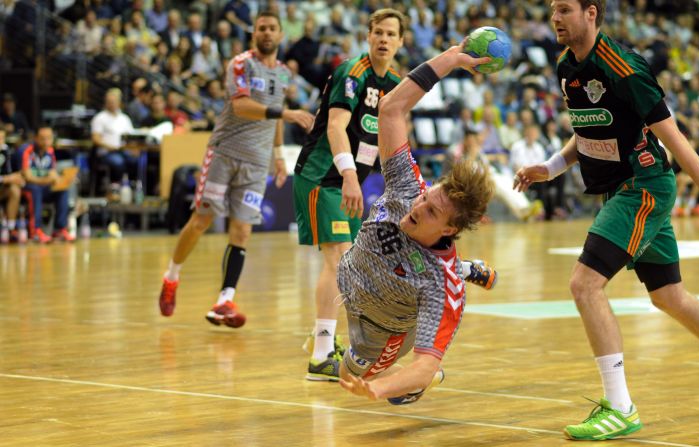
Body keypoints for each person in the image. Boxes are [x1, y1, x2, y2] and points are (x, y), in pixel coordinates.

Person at [514, 0, 699, 440]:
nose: (555, 19)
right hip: (621, 190)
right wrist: (552, 166)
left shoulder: (624, 67)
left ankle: (620, 407)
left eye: (564, 9)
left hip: (642, 185)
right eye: (552, 10)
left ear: (591, 13)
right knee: (670, 297)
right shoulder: (567, 65)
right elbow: (586, 128)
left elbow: (671, 134)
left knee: (584, 284)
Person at [293, 9, 498, 381]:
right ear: (367, 36)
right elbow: (336, 127)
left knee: (385, 251)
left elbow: (395, 115)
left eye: (391, 34)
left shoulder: (391, 81)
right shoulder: (352, 73)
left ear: (402, 41)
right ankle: (322, 351)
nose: (383, 40)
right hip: (325, 177)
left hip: (351, 179)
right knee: (338, 258)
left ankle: (460, 269)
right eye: (377, 32)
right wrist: (349, 175)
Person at [337, 44, 494, 404]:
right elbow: (391, 107)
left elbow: (424, 363)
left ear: (449, 231)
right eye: (427, 198)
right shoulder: (409, 187)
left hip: (384, 325)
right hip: (354, 282)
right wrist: (451, 58)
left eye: (433, 212)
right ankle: (469, 267)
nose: (418, 208)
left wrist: (376, 388)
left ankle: (462, 269)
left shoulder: (442, 287)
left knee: (350, 376)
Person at [157, 12, 314, 327]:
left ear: (281, 35)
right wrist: (287, 113)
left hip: (257, 162)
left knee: (242, 230)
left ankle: (224, 301)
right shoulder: (240, 64)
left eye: (272, 29)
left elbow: (275, 120)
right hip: (224, 153)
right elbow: (242, 106)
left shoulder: (283, 74)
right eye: (261, 28)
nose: (267, 33)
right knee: (202, 220)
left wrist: (280, 156)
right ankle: (171, 277)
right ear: (253, 34)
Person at [20, 126, 75, 243]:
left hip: (43, 187)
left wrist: (63, 179)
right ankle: (35, 231)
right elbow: (28, 177)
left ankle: (60, 229)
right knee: (35, 190)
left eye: (49, 138)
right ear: (35, 138)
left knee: (62, 190)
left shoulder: (50, 152)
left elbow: (53, 173)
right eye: (42, 138)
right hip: (26, 188)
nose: (46, 142)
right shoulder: (26, 151)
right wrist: (47, 180)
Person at [90, 88, 136, 186]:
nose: (111, 104)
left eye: (114, 102)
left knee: (135, 161)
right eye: (109, 102)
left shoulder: (124, 118)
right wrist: (110, 147)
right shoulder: (100, 118)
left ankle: (131, 186)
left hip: (123, 150)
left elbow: (131, 137)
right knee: (118, 162)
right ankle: (116, 187)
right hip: (106, 152)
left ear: (119, 102)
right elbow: (95, 139)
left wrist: (133, 149)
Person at [0, 128, 25, 243]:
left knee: (15, 189)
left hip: (3, 188)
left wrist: (18, 178)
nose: (0, 141)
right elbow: (7, 177)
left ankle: (10, 228)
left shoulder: (7, 151)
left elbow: (12, 173)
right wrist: (6, 178)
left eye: (2, 138)